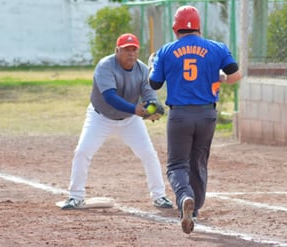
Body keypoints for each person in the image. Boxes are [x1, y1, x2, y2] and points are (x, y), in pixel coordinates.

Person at [149, 6, 241, 234]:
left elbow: (154, 84)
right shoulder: (217, 48)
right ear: (199, 27)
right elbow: (235, 74)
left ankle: (184, 198)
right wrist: (218, 77)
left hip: (180, 115)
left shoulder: (166, 50)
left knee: (177, 164)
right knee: (198, 161)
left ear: (175, 28)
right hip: (207, 114)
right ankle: (194, 209)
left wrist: (153, 64)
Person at [61, 33, 173, 210]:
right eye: (126, 49)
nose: (131, 53)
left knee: (148, 153)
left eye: (134, 49)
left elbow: (149, 96)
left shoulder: (143, 70)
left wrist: (152, 110)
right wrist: (135, 109)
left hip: (129, 120)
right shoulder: (105, 66)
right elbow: (109, 97)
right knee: (83, 151)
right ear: (117, 50)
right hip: (100, 117)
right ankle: (75, 196)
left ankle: (159, 196)